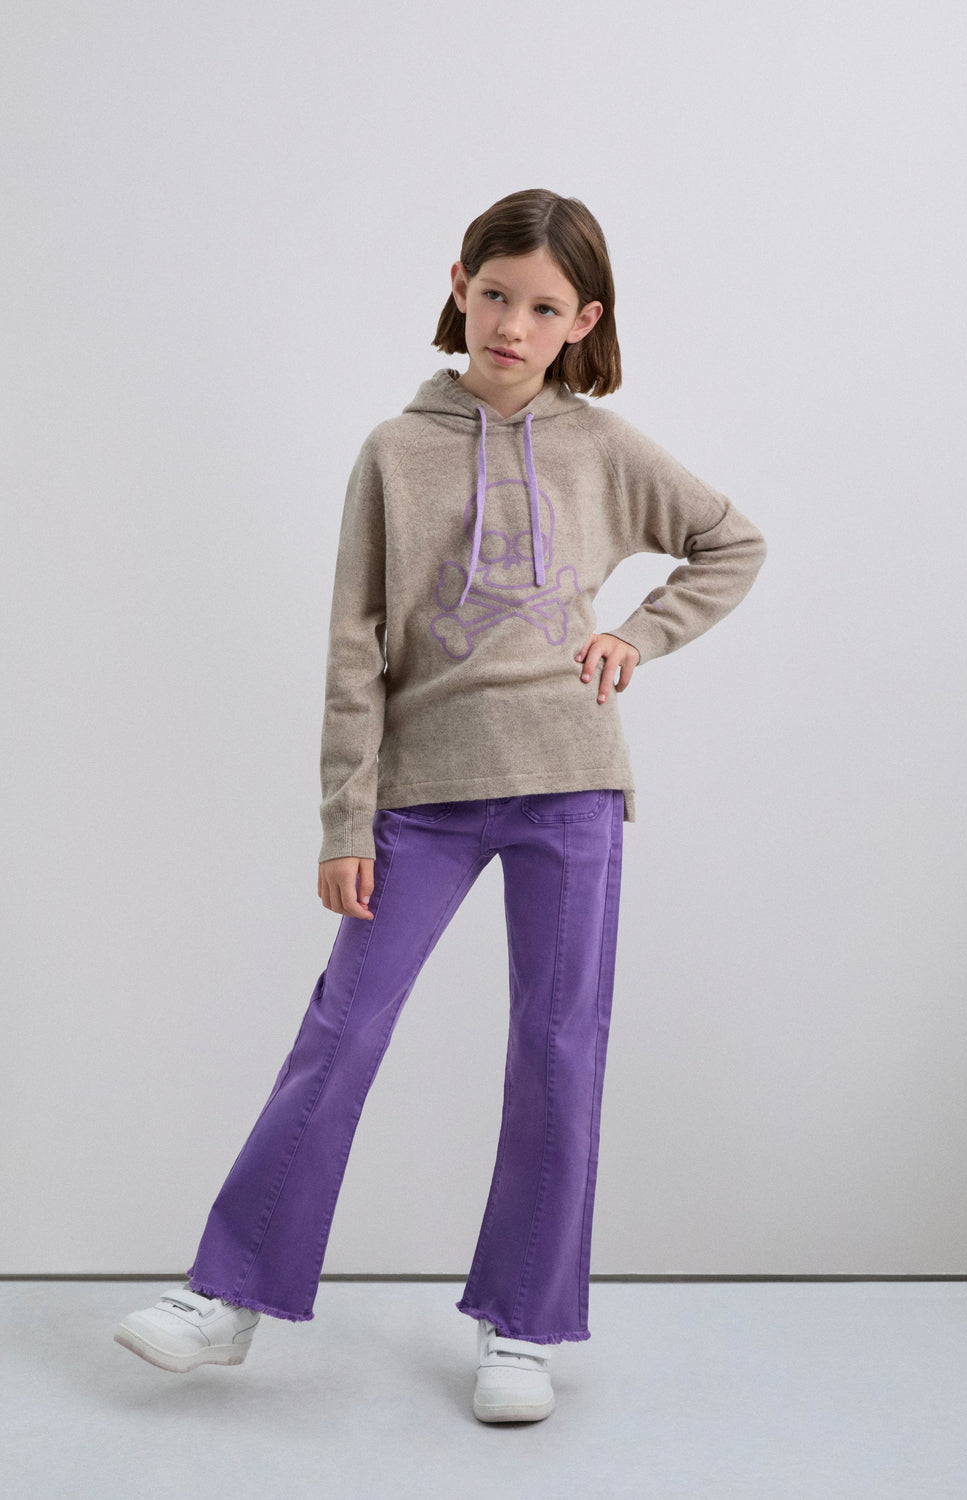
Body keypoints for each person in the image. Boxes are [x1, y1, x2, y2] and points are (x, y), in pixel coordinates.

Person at [114, 188, 767, 1423]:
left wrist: (636, 636)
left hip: (568, 781)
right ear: (459, 286)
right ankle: (228, 1291)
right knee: (342, 1029)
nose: (512, 326)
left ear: (582, 322)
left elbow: (731, 543)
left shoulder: (602, 447)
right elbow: (353, 645)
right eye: (495, 296)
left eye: (543, 309)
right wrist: (345, 819)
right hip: (422, 794)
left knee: (558, 1047)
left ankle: (521, 1324)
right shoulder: (394, 451)